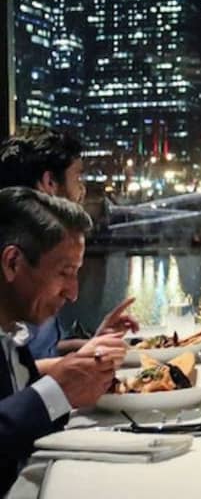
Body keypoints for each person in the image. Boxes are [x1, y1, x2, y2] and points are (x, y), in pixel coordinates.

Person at [0, 187, 124, 495]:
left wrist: (79, 378)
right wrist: (56, 391)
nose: (73, 293)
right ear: (13, 262)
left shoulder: (12, 333)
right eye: (65, 273)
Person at [0, 129, 138, 361]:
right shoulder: (25, 266)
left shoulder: (43, 261)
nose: (82, 191)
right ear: (49, 182)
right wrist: (72, 365)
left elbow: (38, 354)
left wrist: (94, 345)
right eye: (78, 178)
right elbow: (16, 373)